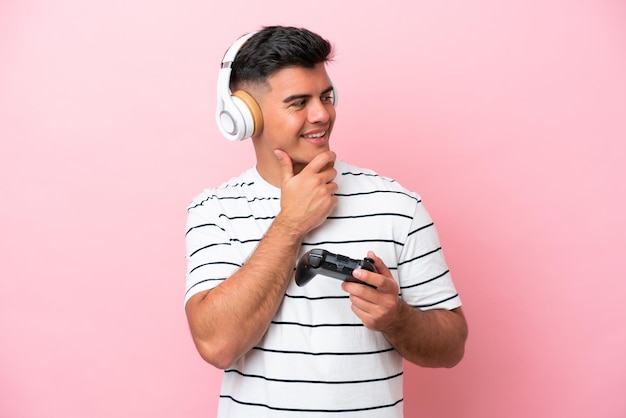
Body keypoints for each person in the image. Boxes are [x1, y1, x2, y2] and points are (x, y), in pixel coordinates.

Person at [184, 25, 468, 417]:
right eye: (298, 102)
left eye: (326, 96)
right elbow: (217, 345)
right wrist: (291, 223)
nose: (322, 114)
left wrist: (397, 318)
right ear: (246, 114)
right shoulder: (215, 210)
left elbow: (452, 347)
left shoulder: (397, 205)